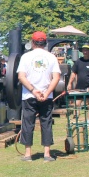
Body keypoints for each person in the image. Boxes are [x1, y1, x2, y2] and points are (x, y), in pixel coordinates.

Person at [17, 30, 61, 162]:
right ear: (45, 43)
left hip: (29, 96)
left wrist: (33, 90)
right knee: (46, 123)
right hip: (46, 96)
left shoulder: (26, 57)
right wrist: (46, 93)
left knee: (28, 123)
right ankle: (47, 154)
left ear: (32, 42)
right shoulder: (51, 57)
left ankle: (28, 154)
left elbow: (21, 76)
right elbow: (56, 77)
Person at [68, 44, 89, 123]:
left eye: (87, 50)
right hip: (79, 87)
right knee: (76, 104)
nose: (85, 51)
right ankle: (76, 120)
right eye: (84, 50)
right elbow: (73, 73)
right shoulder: (79, 61)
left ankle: (88, 122)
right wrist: (69, 83)